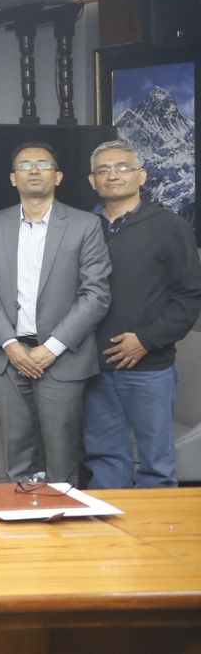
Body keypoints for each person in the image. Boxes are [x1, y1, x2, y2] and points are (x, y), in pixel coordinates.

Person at [0, 142, 112, 482]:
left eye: (43, 164)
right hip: (11, 358)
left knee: (62, 459)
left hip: (62, 358)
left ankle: (62, 517)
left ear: (58, 176)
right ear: (13, 177)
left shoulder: (84, 225)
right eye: (25, 165)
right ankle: (22, 516)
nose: (33, 170)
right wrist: (10, 345)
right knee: (17, 458)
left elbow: (96, 294)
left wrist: (51, 349)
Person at [82, 140, 201, 488]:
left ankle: (156, 524)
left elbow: (191, 295)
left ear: (142, 175)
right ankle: (109, 525)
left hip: (149, 367)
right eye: (103, 170)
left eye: (123, 167)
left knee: (156, 466)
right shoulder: (82, 227)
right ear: (92, 180)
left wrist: (146, 340)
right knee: (104, 462)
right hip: (93, 368)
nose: (113, 175)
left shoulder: (170, 226)